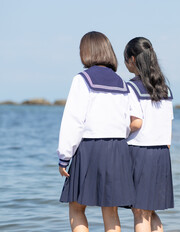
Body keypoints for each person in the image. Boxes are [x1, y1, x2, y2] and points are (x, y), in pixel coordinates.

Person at [57, 31, 135, 232]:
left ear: (86, 52)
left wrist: (64, 157)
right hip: (118, 149)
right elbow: (127, 123)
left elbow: (73, 121)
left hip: (91, 147)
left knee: (76, 207)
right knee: (111, 212)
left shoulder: (82, 79)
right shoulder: (122, 83)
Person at [124, 37, 174, 232]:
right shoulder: (165, 89)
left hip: (140, 152)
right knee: (149, 210)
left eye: (126, 59)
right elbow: (167, 124)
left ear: (133, 60)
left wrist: (119, 132)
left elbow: (136, 123)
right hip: (162, 152)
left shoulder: (132, 88)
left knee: (139, 212)